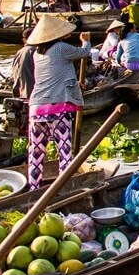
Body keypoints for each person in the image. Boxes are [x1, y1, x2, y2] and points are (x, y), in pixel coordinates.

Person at [25, 17, 91, 190]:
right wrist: (86, 41)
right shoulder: (61, 48)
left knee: (36, 153)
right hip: (57, 108)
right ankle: (64, 187)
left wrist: (75, 84)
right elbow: (84, 53)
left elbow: (54, 75)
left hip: (36, 108)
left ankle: (33, 187)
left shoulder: (37, 53)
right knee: (64, 151)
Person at [9, 29, 36, 97]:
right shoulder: (34, 51)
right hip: (30, 93)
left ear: (24, 40)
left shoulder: (20, 52)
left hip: (19, 91)